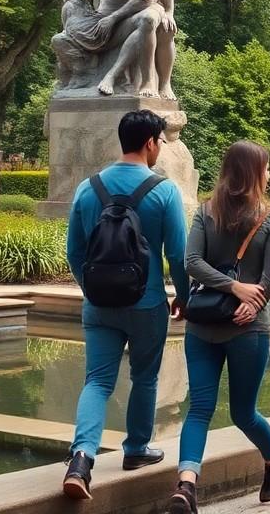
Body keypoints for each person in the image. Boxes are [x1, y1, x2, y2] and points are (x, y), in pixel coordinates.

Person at [62, 110, 189, 499]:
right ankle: (135, 449)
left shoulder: (89, 188)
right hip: (147, 303)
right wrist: (182, 296)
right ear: (151, 142)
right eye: (160, 143)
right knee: (145, 378)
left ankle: (81, 459)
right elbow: (178, 256)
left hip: (99, 306)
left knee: (97, 381)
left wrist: (92, 289)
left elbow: (74, 251)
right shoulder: (164, 191)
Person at [166, 141, 270, 514]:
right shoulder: (207, 211)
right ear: (252, 172)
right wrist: (237, 288)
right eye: (265, 168)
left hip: (248, 331)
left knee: (242, 413)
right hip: (205, 327)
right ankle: (186, 486)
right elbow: (191, 261)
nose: (268, 175)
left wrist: (255, 305)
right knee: (199, 407)